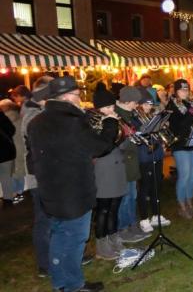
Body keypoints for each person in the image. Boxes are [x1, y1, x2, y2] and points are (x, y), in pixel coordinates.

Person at [28, 75, 112, 292]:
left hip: (51, 189)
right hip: (73, 191)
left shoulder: (37, 122)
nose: (80, 98)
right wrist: (110, 123)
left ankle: (62, 283)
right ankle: (73, 284)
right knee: (75, 239)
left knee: (59, 237)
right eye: (77, 94)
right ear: (66, 96)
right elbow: (99, 147)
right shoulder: (73, 121)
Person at [90, 87, 129, 261]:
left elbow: (118, 142)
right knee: (103, 210)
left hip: (117, 167)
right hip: (104, 170)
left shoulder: (110, 120)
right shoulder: (94, 122)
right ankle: (101, 244)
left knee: (114, 207)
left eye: (112, 107)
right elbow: (102, 147)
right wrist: (111, 123)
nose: (111, 111)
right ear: (98, 108)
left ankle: (113, 237)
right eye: (106, 108)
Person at [20, 76, 53, 277]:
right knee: (44, 220)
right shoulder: (31, 114)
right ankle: (45, 264)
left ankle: (61, 255)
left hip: (50, 173)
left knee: (57, 218)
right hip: (39, 176)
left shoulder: (40, 111)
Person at [113, 86, 152, 234]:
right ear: (127, 101)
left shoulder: (129, 113)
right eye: (135, 102)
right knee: (125, 197)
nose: (137, 106)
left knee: (132, 195)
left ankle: (132, 224)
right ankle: (124, 228)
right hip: (122, 162)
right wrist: (133, 139)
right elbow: (117, 141)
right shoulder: (117, 115)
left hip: (132, 160)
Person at [133, 91, 169, 234]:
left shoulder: (151, 115)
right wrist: (146, 128)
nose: (149, 107)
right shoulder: (135, 118)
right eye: (146, 104)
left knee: (156, 185)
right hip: (144, 156)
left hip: (157, 154)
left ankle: (156, 214)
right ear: (139, 104)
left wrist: (161, 126)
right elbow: (136, 134)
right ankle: (144, 219)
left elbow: (158, 134)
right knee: (144, 188)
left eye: (150, 104)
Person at [167, 79, 193, 219]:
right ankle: (181, 206)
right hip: (180, 145)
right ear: (176, 91)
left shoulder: (189, 104)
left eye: (186, 89)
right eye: (182, 90)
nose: (185, 92)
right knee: (184, 176)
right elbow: (179, 127)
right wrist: (191, 112)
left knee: (192, 177)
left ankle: (190, 203)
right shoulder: (171, 106)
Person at [0, 99, 16, 207]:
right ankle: (8, 199)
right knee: (6, 177)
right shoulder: (2, 116)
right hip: (6, 151)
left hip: (5, 151)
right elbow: (12, 130)